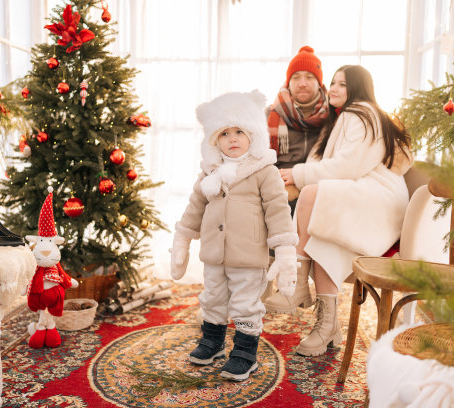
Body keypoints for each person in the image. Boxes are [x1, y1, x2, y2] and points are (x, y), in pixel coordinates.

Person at [279, 65, 413, 356]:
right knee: (323, 234)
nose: (335, 89)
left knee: (314, 195)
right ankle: (328, 325)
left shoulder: (361, 113)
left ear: (359, 88)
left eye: (343, 84)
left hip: (379, 198)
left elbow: (347, 167)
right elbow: (328, 164)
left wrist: (298, 176)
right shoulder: (342, 118)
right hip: (363, 192)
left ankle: (299, 279)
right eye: (334, 83)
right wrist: (297, 174)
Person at [169, 90, 298, 381]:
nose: (233, 138)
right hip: (215, 254)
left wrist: (286, 252)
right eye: (225, 133)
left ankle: (244, 353)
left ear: (253, 134)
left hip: (249, 256)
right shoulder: (209, 173)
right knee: (212, 298)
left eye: (240, 131)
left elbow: (278, 212)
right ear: (215, 140)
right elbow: (194, 208)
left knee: (245, 303)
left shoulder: (264, 172)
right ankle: (212, 342)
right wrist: (182, 239)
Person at [263, 45, 329, 314]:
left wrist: (300, 179)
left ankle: (297, 283)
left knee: (307, 206)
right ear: (288, 82)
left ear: (319, 82)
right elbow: (260, 156)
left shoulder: (333, 115)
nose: (302, 83)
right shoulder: (272, 112)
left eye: (309, 77)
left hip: (316, 183)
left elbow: (335, 160)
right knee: (265, 206)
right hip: (277, 181)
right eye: (296, 77)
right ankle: (264, 283)